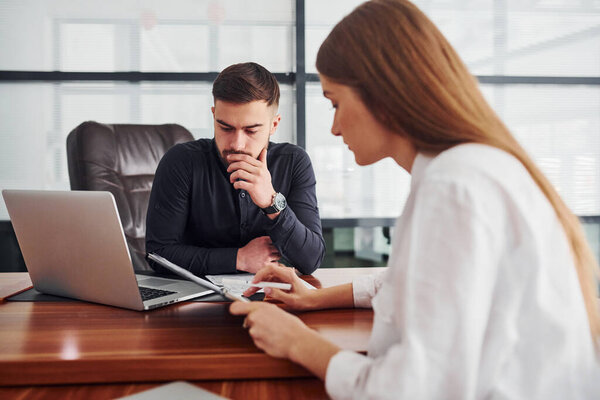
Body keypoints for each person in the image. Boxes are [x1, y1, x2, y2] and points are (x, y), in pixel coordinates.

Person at [229, 1, 600, 398]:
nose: (334, 127)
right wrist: (315, 299)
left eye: (336, 103)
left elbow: (409, 390)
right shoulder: (469, 168)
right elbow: (412, 282)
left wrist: (297, 342)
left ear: (383, 95)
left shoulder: (453, 186)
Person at [146, 62, 325, 276]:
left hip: (272, 300)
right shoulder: (181, 162)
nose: (237, 144)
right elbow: (158, 254)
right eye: (226, 128)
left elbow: (311, 260)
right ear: (214, 116)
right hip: (194, 301)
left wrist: (271, 202)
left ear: (273, 125)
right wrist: (238, 259)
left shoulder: (294, 162)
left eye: (251, 130)